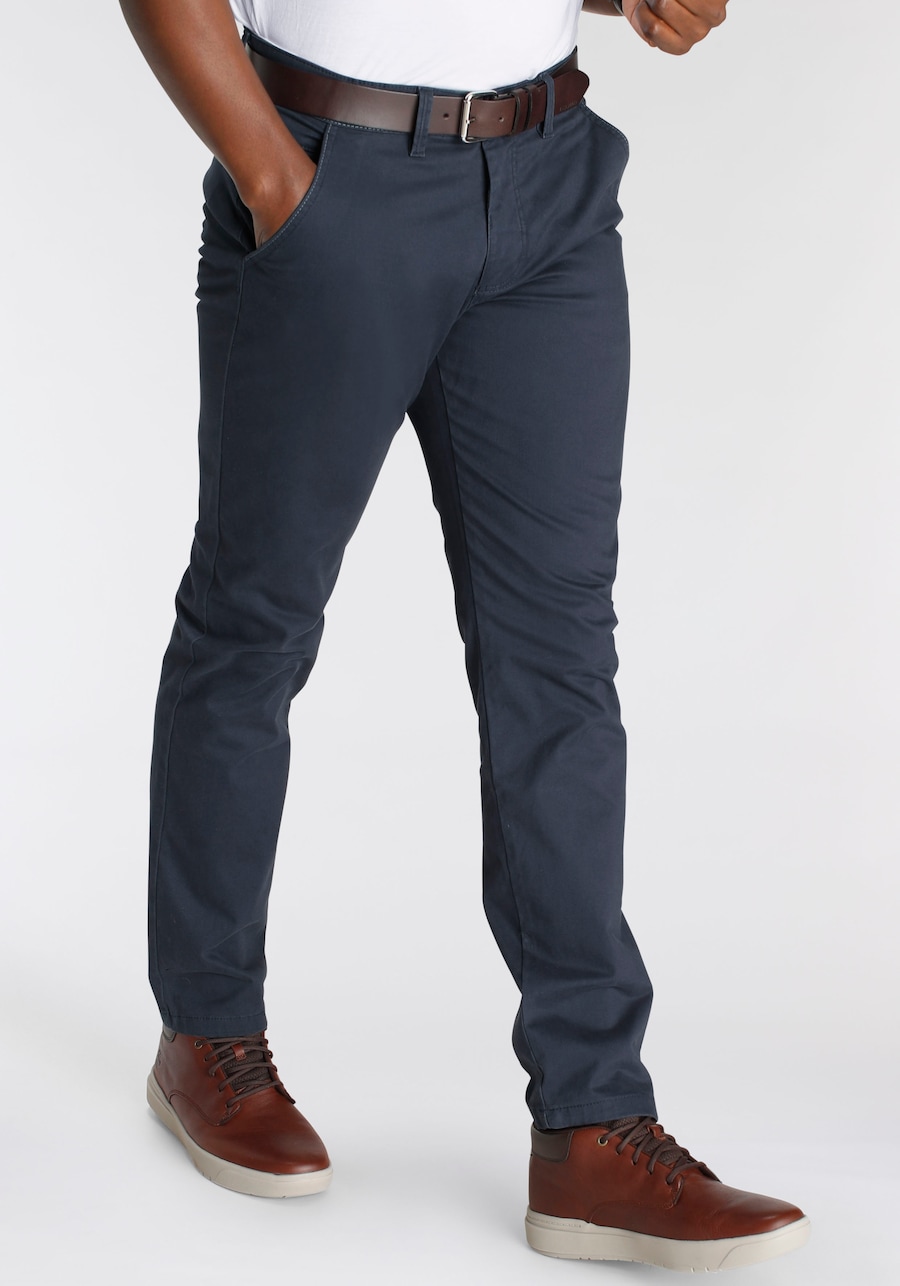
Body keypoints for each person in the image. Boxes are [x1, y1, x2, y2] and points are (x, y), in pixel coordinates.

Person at [119, 0, 810, 1270]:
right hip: (331, 169)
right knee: (254, 626)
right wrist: (276, 182)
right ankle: (205, 1031)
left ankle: (594, 1124)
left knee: (562, 662)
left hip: (549, 186)